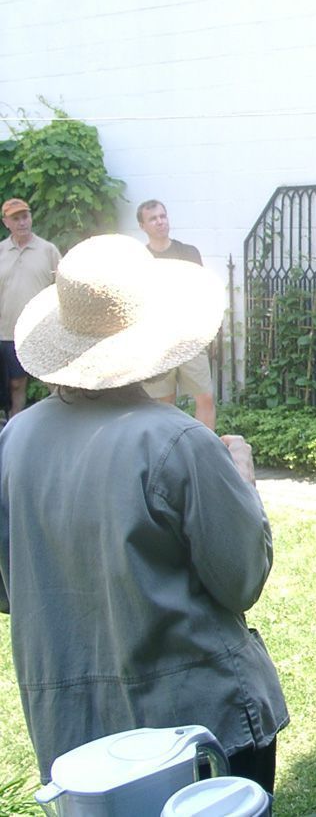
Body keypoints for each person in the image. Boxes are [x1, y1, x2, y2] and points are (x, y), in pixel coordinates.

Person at [0, 234, 287, 791]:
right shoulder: (178, 441)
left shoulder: (14, 441)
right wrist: (244, 484)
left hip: (75, 740)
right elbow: (242, 578)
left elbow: (8, 591)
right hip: (198, 733)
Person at [136, 199, 217, 431]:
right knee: (164, 404)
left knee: (205, 398)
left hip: (190, 338)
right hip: (157, 342)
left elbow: (204, 292)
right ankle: (167, 458)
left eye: (163, 216)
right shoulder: (139, 259)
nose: (160, 222)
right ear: (143, 226)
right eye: (153, 218)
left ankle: (206, 455)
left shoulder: (188, 253)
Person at [0, 198, 61, 417]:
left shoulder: (48, 250)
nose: (22, 222)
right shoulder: (1, 252)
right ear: (6, 222)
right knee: (16, 384)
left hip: (42, 329)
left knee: (53, 381)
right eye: (16, 218)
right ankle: (14, 425)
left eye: (25, 216)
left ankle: (63, 420)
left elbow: (62, 288)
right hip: (8, 332)